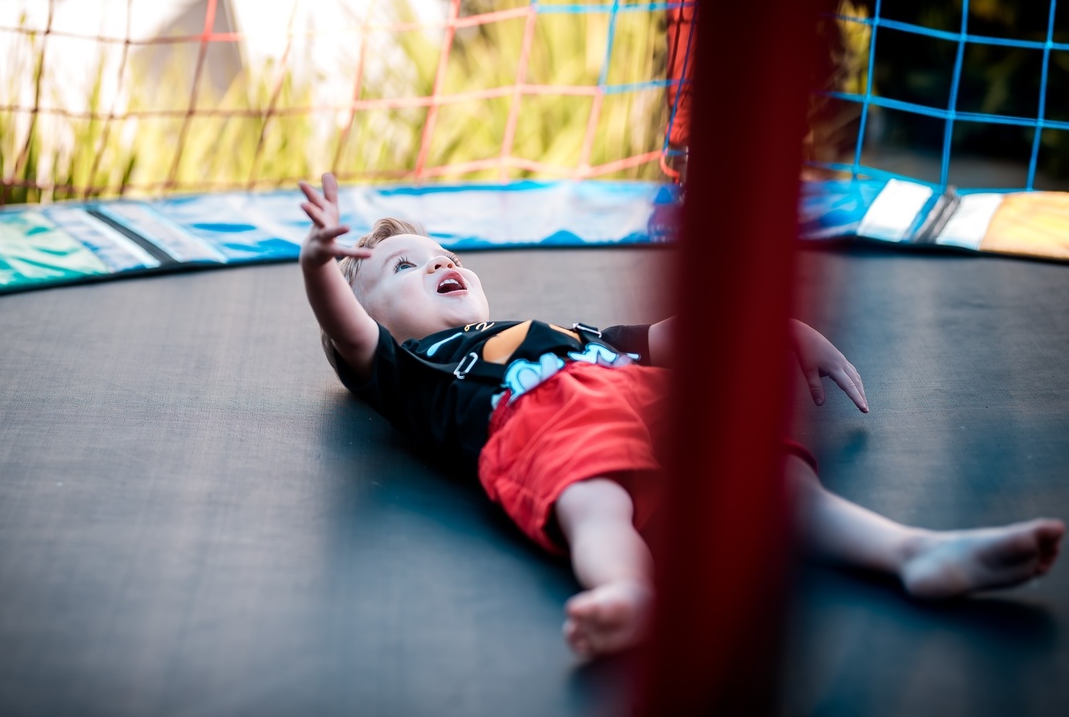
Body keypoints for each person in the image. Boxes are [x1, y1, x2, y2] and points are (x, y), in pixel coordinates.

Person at [298, 172, 1064, 659]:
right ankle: (631, 593)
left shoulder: (566, 331)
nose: (439, 264)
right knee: (596, 502)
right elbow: (347, 330)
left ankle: (914, 551)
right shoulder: (409, 369)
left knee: (773, 482)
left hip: (641, 392)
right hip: (544, 424)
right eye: (404, 267)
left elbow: (666, 339)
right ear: (376, 321)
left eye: (446, 257)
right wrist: (320, 264)